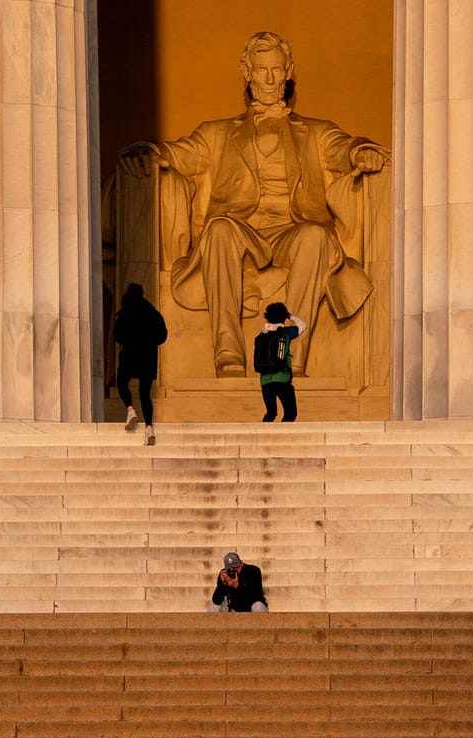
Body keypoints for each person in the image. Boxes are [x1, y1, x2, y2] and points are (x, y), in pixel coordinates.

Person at [118, 31, 389, 376]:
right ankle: (227, 352)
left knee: (316, 236)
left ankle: (287, 355)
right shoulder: (217, 133)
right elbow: (180, 154)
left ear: (289, 69)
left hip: (292, 233)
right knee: (218, 229)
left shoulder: (317, 132)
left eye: (277, 69)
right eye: (261, 70)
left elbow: (344, 148)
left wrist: (360, 151)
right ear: (246, 71)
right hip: (241, 231)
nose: (270, 79)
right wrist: (150, 151)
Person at [111, 283, 168, 445]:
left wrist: (129, 340)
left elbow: (117, 335)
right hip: (148, 357)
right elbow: (163, 335)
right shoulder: (152, 312)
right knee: (145, 394)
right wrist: (150, 341)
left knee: (122, 382)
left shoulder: (126, 312)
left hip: (130, 354)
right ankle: (149, 428)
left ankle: (130, 409)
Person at [255, 303, 303, 422]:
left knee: (271, 413)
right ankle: (283, 437)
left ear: (267, 316)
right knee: (290, 413)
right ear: (283, 317)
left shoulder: (260, 336)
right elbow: (303, 325)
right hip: (282, 379)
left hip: (265, 381)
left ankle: (262, 436)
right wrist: (290, 316)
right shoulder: (286, 332)